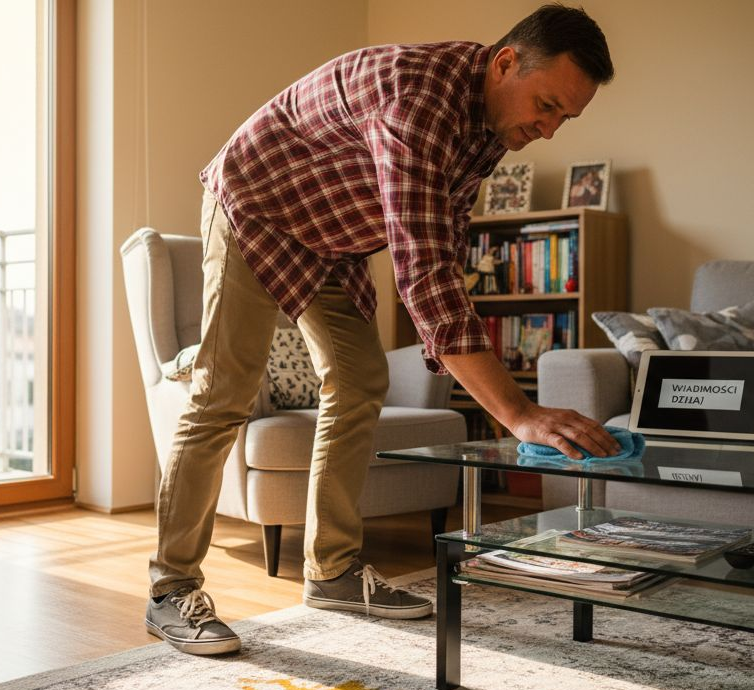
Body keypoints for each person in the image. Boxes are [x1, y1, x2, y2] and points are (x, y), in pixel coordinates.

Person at [145, 4, 620, 656]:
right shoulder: (418, 99)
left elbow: (444, 244)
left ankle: (332, 572)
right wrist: (519, 412)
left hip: (327, 239)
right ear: (506, 62)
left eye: (564, 117)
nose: (548, 127)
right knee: (225, 387)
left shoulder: (488, 126)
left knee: (362, 376)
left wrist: (455, 350)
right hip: (255, 202)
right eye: (545, 105)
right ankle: (170, 588)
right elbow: (421, 271)